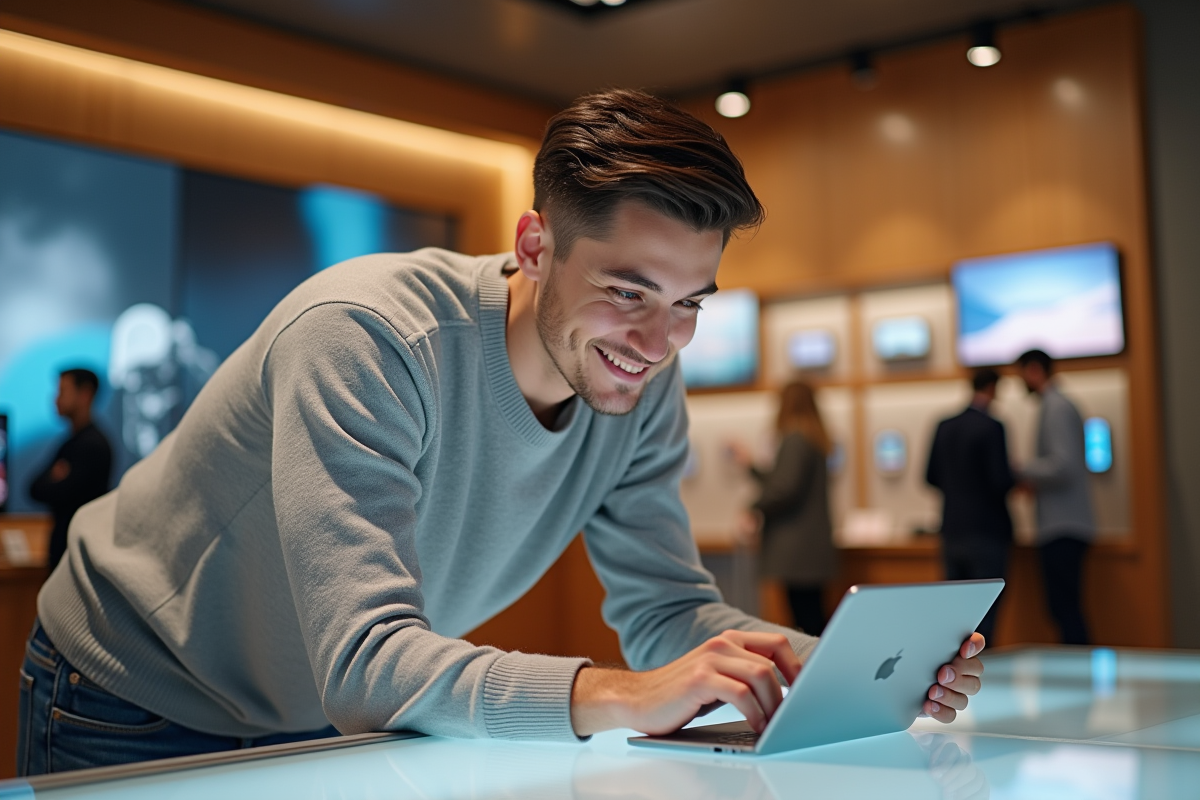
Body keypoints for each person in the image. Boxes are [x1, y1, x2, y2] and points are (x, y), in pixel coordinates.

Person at [18, 90, 985, 776]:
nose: (658, 343)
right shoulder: (368, 336)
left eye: (691, 302)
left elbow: (666, 614)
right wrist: (625, 696)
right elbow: (365, 659)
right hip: (131, 694)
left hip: (311, 714)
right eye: (626, 292)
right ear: (534, 245)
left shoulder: (643, 380)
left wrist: (816, 662)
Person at [732, 381, 838, 636]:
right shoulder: (814, 440)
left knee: (805, 622)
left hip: (796, 552)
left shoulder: (794, 440)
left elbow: (784, 489)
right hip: (811, 549)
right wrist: (751, 467)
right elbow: (784, 483)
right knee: (813, 618)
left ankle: (814, 675)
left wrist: (752, 508)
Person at [925, 368, 1016, 643]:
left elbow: (929, 476)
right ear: (992, 388)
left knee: (956, 616)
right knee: (985, 615)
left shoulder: (944, 425)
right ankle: (983, 677)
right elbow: (1000, 479)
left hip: (952, 529)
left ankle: (955, 679)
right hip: (987, 530)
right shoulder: (992, 426)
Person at [1015, 349, 1095, 645]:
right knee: (1063, 609)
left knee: (1065, 609)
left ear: (1034, 370)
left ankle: (1081, 678)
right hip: (1064, 525)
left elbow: (1064, 465)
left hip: (1063, 526)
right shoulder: (1056, 405)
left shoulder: (1056, 407)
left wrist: (1022, 470)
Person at [28, 368, 113, 572]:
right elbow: (34, 488)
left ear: (84, 395)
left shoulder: (92, 446)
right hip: (66, 554)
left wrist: (55, 480)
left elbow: (61, 492)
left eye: (63, 391)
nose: (55, 399)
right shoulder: (70, 443)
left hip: (77, 558)